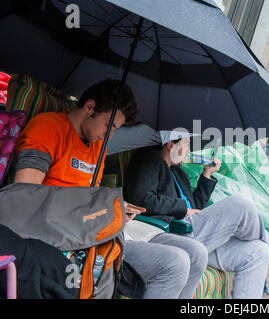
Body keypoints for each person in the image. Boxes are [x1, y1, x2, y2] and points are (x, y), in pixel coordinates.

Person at [13, 79, 201, 299]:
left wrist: (112, 209)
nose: (110, 136)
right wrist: (97, 208)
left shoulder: (96, 147)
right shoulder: (47, 128)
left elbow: (90, 199)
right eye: (109, 125)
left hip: (91, 234)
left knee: (184, 258)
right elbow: (25, 194)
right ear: (90, 107)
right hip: (52, 234)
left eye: (116, 129)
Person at [123, 134, 269, 299]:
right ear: (170, 145)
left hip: (196, 234)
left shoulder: (179, 174)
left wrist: (206, 175)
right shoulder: (149, 160)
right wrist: (184, 210)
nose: (188, 150)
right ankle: (266, 240)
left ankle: (263, 244)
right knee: (239, 205)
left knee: (257, 252)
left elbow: (196, 208)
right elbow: (142, 199)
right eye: (186, 144)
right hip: (173, 230)